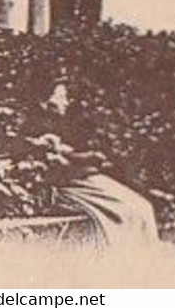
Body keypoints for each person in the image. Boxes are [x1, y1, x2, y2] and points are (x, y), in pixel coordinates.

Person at [17, 81, 159, 248]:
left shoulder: (62, 123)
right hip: (71, 186)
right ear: (44, 100)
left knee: (143, 208)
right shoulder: (35, 127)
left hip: (85, 178)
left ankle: (146, 259)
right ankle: (128, 257)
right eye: (60, 97)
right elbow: (54, 167)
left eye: (65, 97)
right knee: (128, 212)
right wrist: (80, 158)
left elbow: (73, 154)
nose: (66, 101)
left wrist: (83, 157)